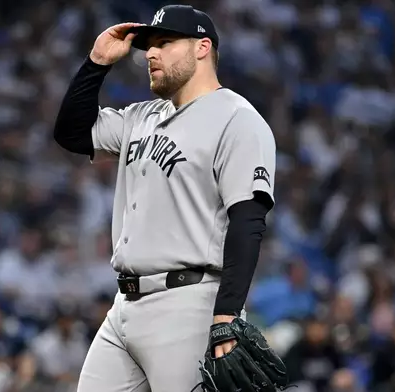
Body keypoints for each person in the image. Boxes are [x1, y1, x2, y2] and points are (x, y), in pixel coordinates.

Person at [53, 4, 277, 392]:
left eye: (165, 43)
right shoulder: (141, 117)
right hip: (123, 306)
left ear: (202, 48)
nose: (150, 54)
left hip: (189, 304)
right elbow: (71, 133)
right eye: (148, 46)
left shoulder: (238, 119)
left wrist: (225, 317)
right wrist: (96, 63)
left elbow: (248, 222)